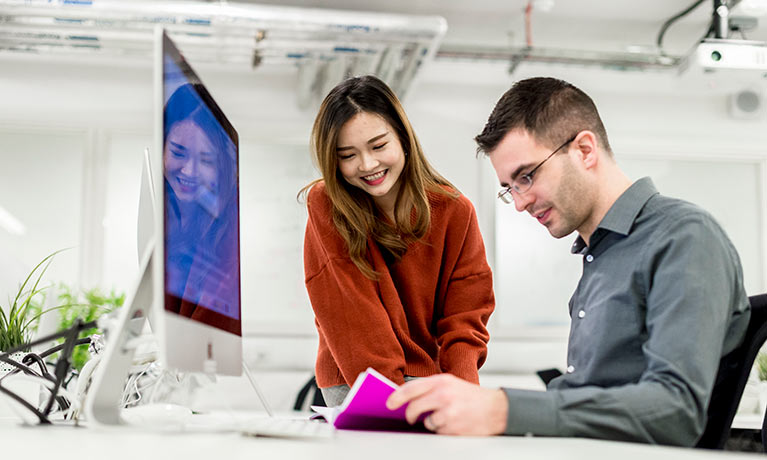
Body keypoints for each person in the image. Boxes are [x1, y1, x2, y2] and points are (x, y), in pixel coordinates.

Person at [386, 77, 751, 446]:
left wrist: (503, 409)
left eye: (526, 177)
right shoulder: (600, 258)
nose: (520, 202)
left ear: (585, 150)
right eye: (510, 188)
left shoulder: (683, 237)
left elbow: (676, 410)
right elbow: (585, 397)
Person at [300, 75, 495, 407]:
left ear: (403, 138)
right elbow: (353, 316)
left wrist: (464, 395)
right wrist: (388, 402)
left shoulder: (454, 211)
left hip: (429, 379)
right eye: (347, 155)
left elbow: (466, 315)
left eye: (379, 146)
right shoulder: (328, 205)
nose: (367, 164)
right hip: (356, 379)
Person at [163, 83, 239, 324]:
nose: (189, 171)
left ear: (223, 167)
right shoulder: (166, 214)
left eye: (206, 160)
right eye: (178, 152)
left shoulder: (227, 232)